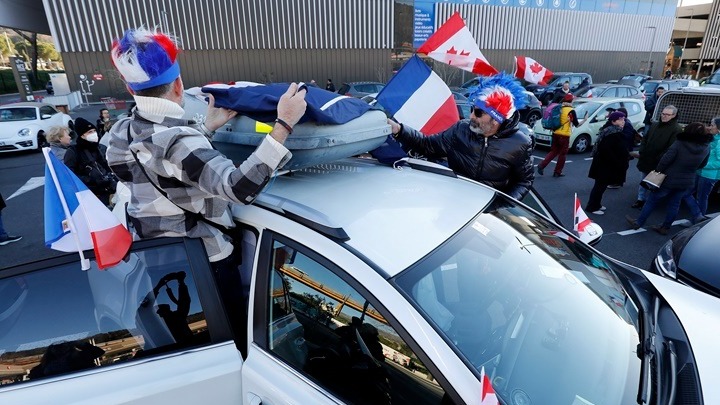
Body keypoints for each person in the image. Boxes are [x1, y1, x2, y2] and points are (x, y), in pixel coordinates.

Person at [104, 28, 307, 344]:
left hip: (156, 259)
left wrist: (205, 129)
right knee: (233, 340)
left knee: (185, 338)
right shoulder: (180, 144)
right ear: (178, 85)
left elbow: (159, 168)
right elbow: (239, 188)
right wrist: (283, 125)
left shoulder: (122, 133)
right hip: (206, 263)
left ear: (130, 88)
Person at [387, 73, 534, 200]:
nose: (471, 116)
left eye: (478, 113)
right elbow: (428, 145)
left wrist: (502, 207)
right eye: (472, 110)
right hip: (456, 203)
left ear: (496, 119)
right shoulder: (460, 130)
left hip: (488, 213)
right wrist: (399, 130)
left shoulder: (520, 143)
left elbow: (524, 182)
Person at [626, 122, 710, 235]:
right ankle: (665, 227)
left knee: (652, 200)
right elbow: (702, 164)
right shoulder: (706, 147)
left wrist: (658, 171)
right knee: (675, 204)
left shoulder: (680, 143)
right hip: (687, 180)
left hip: (669, 178)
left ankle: (639, 222)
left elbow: (666, 159)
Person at [630, 105, 682, 209]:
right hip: (646, 158)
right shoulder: (655, 124)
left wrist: (660, 158)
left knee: (655, 184)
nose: (664, 116)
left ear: (674, 115)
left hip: (659, 161)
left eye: (668, 114)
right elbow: (645, 138)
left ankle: (650, 203)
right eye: (663, 113)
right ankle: (640, 200)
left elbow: (671, 147)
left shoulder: (677, 129)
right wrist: (642, 150)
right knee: (643, 180)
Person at [64, 117, 117, 206]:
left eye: (94, 131)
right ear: (82, 135)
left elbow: (109, 166)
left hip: (109, 190)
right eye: (89, 132)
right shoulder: (73, 152)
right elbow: (69, 175)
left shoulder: (100, 148)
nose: (94, 134)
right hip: (91, 194)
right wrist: (91, 180)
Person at [585, 111, 629, 214]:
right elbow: (607, 150)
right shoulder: (613, 133)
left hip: (603, 164)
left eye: (624, 119)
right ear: (614, 121)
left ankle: (597, 204)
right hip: (605, 165)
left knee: (601, 186)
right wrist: (617, 161)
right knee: (599, 186)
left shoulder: (610, 130)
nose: (623, 121)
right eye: (621, 119)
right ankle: (592, 207)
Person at [537, 93, 588, 177]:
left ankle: (541, 165)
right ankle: (557, 172)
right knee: (562, 154)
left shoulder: (559, 108)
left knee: (553, 151)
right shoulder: (571, 110)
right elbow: (576, 124)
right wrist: (585, 119)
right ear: (571, 100)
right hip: (564, 135)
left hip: (555, 133)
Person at [693, 116, 720, 215]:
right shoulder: (714, 138)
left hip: (709, 175)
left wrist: (702, 164)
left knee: (701, 197)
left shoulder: (719, 141)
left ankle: (697, 220)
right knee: (688, 193)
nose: (710, 127)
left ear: (718, 128)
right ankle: (697, 217)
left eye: (712, 125)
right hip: (701, 171)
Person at [607, 107, 638, 189]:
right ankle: (614, 181)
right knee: (617, 166)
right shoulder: (624, 123)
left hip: (625, 149)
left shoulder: (627, 125)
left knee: (621, 166)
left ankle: (618, 182)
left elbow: (627, 137)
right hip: (622, 149)